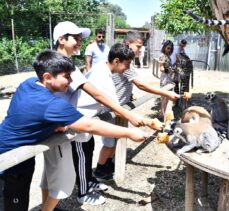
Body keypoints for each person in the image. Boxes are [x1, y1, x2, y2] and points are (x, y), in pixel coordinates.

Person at [0, 50, 148, 211]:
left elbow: (26, 115)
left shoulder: (28, 83)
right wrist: (130, 133)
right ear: (48, 77)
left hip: (17, 153)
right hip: (10, 161)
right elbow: (90, 126)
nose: (71, 82)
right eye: (66, 76)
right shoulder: (51, 104)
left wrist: (51, 125)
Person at [40, 21, 149, 210]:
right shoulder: (59, 65)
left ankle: (49, 206)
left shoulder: (66, 63)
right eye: (75, 37)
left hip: (64, 122)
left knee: (52, 174)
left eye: (81, 38)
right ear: (60, 39)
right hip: (61, 124)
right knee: (61, 179)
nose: (79, 42)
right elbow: (96, 93)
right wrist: (129, 117)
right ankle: (69, 198)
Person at [94, 31, 180, 181]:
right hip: (112, 109)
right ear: (128, 44)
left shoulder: (126, 62)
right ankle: (100, 170)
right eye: (138, 46)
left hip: (120, 107)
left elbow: (124, 82)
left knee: (114, 140)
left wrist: (129, 94)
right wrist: (166, 93)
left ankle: (107, 165)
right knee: (109, 143)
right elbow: (141, 85)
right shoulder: (123, 63)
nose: (140, 50)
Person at [158, 40, 175, 118]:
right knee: (164, 96)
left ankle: (164, 114)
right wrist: (169, 71)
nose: (169, 50)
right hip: (165, 78)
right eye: (168, 48)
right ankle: (162, 114)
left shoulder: (167, 55)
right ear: (164, 47)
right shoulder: (162, 55)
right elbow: (161, 68)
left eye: (170, 49)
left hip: (169, 78)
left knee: (167, 96)